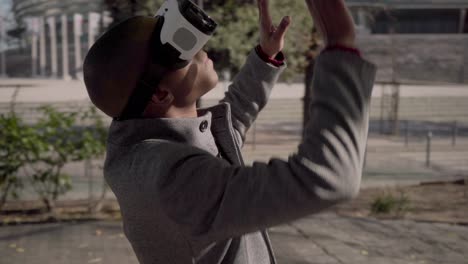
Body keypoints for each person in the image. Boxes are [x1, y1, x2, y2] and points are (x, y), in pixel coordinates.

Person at [83, 0, 376, 263]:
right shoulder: (174, 179)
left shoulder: (152, 146)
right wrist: (341, 46)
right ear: (160, 95)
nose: (200, 49)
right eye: (182, 50)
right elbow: (327, 177)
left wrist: (264, 57)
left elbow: (227, 127)